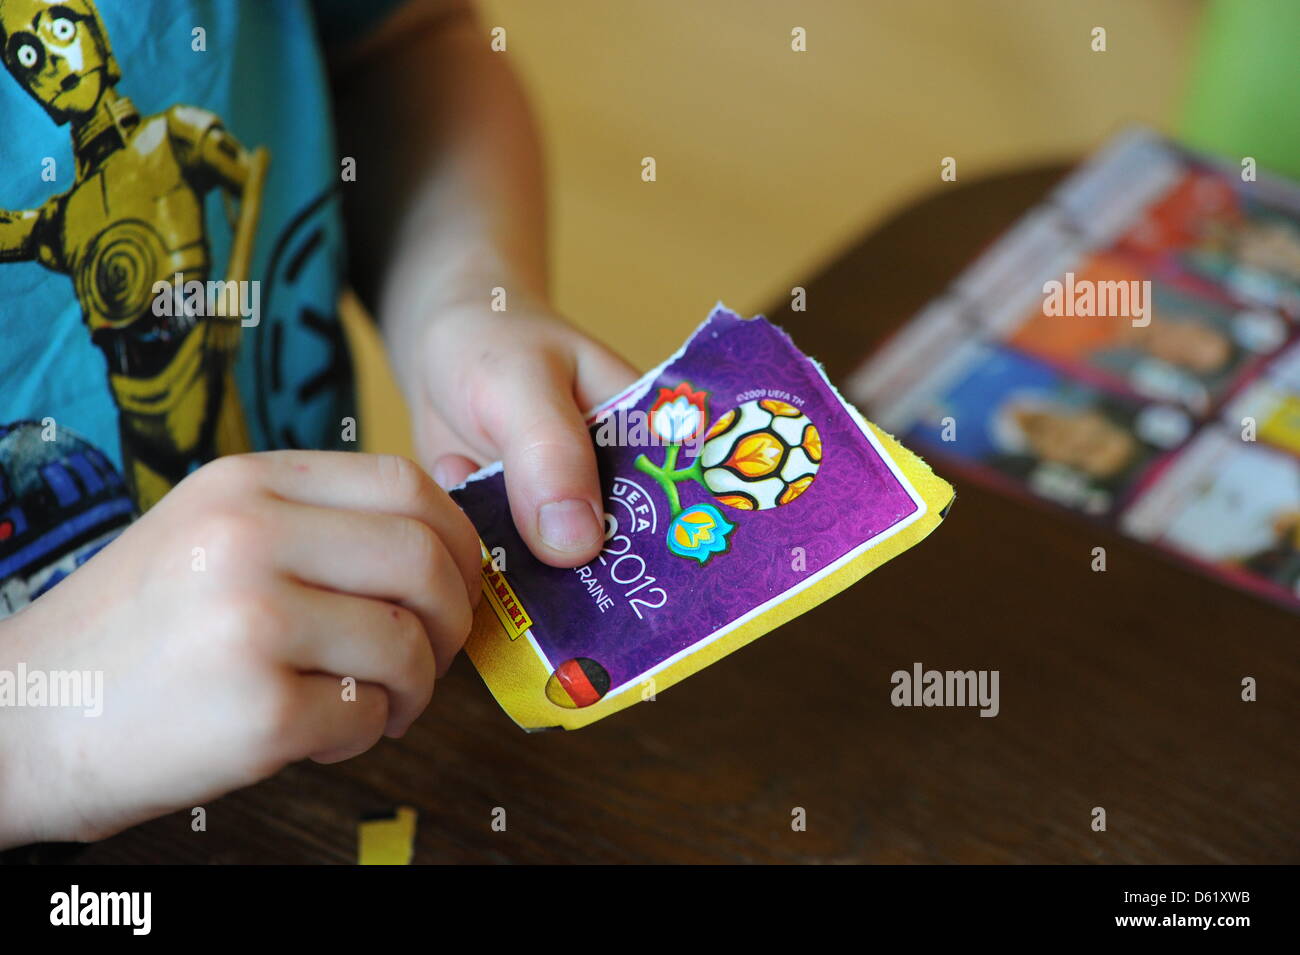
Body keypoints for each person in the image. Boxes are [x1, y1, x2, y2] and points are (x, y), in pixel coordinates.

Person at [0, 0, 634, 847]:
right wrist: (34, 731)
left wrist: (463, 290)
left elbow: (390, 47)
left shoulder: (168, 144)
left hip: (326, 735)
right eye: (28, 50)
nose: (43, 55)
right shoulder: (69, 220)